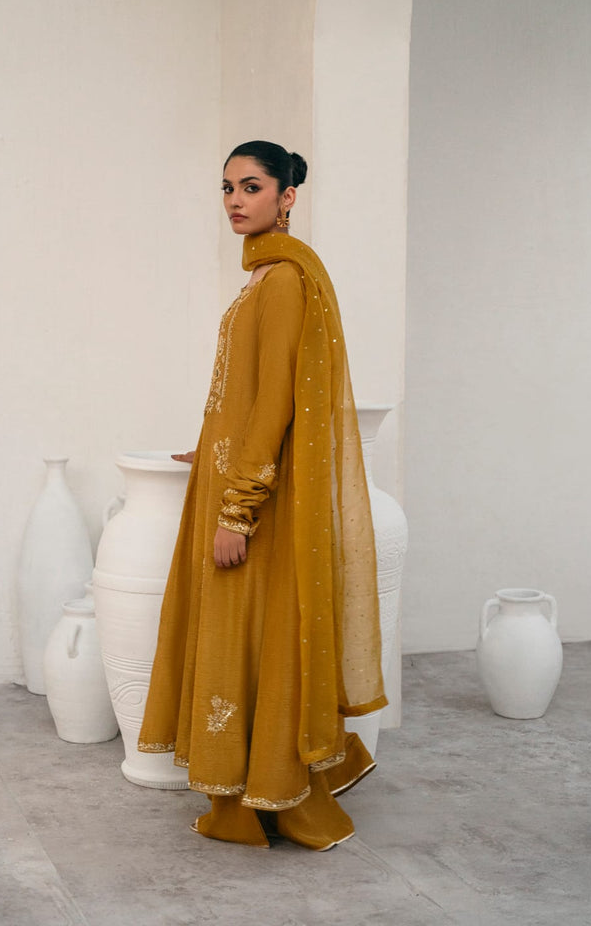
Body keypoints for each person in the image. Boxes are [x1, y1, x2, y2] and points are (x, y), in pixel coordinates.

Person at [139, 140, 386, 850]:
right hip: (234, 479)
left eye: (251, 186)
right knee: (246, 638)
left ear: (287, 196)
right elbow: (248, 393)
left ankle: (270, 792)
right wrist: (213, 441)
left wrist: (237, 510)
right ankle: (262, 783)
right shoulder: (262, 276)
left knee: (250, 636)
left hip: (258, 507)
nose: (235, 200)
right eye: (227, 188)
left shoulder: (282, 280)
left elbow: (278, 401)